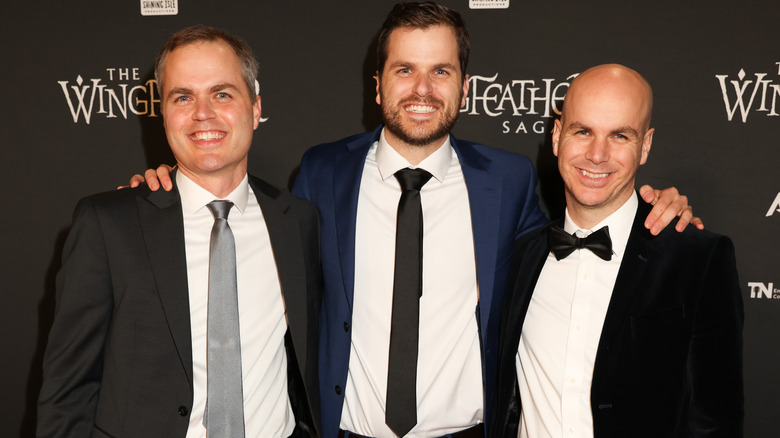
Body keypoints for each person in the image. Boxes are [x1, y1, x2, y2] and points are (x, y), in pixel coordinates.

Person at [132, 3, 699, 437]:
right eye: (404, 70)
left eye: (441, 71)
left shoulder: (508, 181)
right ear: (377, 85)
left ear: (464, 86)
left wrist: (654, 205)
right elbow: (248, 223)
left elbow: (581, 229)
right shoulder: (324, 172)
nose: (422, 90)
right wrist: (168, 188)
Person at [38, 25, 321, 438]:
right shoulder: (109, 224)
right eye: (183, 97)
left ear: (256, 108)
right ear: (163, 112)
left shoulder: (298, 221)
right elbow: (67, 391)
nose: (202, 113)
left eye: (222, 94)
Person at [490, 64, 744, 437]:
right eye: (583, 131)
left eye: (620, 136)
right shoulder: (519, 256)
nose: (597, 154)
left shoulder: (698, 259)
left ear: (646, 145)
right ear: (557, 136)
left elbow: (715, 421)